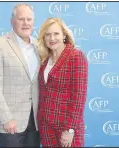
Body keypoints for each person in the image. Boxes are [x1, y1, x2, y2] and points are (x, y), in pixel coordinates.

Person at [0, 3, 40, 147]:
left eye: (29, 19)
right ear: (12, 21)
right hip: (10, 122)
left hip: (36, 121)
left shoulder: (39, 46)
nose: (26, 23)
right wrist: (6, 118)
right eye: (21, 19)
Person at [37, 17, 88, 147]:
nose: (52, 38)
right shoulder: (44, 59)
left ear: (64, 35)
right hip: (46, 127)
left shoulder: (75, 56)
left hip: (66, 127)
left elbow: (79, 96)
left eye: (56, 34)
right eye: (48, 34)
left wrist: (70, 129)